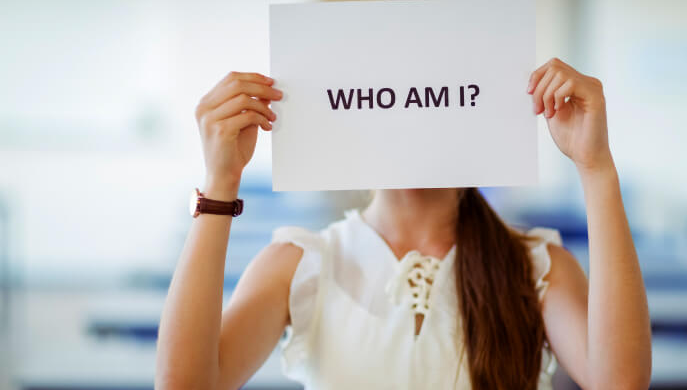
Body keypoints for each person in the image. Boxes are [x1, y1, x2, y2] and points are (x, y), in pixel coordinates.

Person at [155, 58, 652, 389]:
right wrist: (220, 181)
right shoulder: (298, 264)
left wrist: (596, 166)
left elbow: (621, 382)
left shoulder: (537, 266)